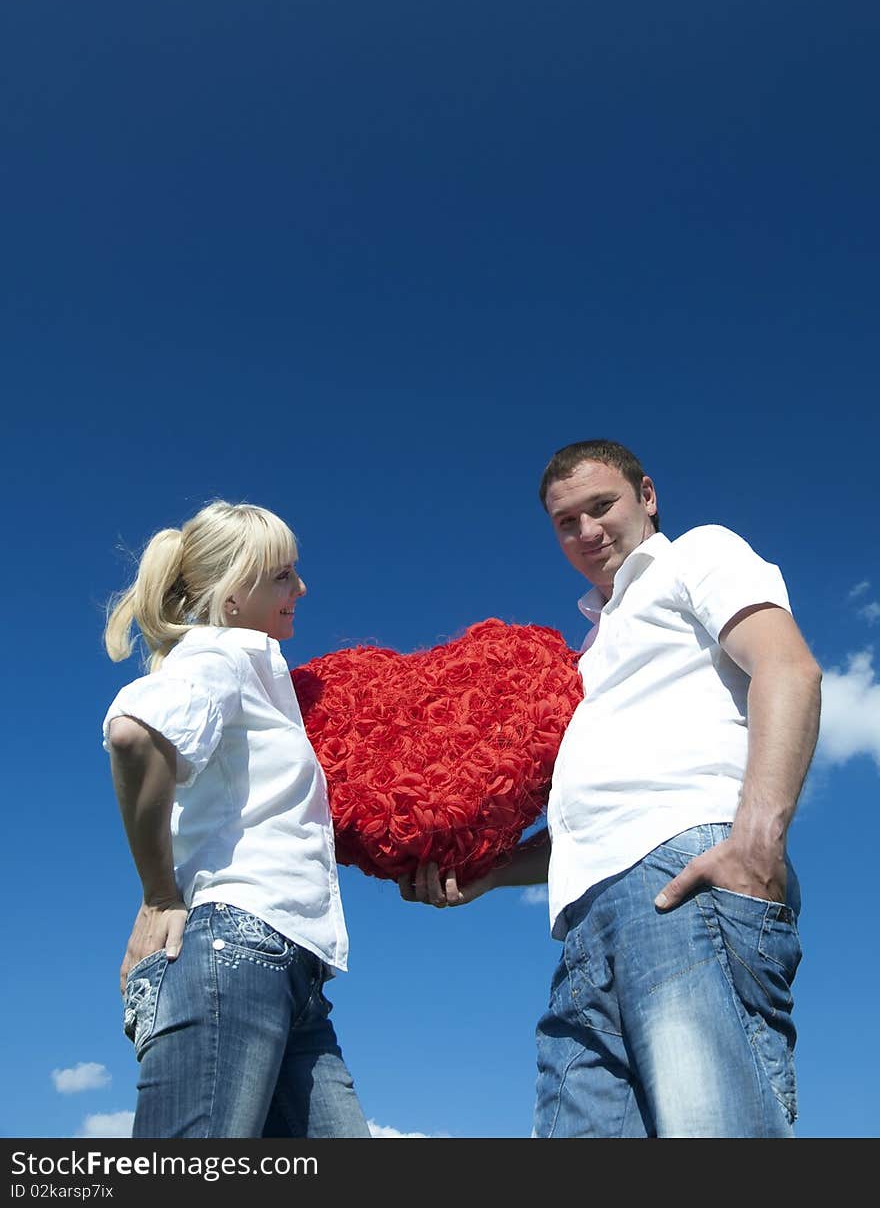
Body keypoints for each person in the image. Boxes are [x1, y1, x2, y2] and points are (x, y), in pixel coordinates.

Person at [400, 440, 821, 1138]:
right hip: (580, 924)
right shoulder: (588, 655)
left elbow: (789, 667)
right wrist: (487, 872)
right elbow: (576, 825)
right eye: (567, 522)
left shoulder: (698, 554)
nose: (587, 531)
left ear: (647, 496)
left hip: (688, 880)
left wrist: (757, 840)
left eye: (602, 506)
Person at [102, 499, 371, 1138]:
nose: (301, 588)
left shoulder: (257, 674)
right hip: (238, 952)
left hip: (291, 973)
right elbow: (135, 736)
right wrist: (160, 894)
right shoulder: (224, 655)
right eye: (282, 576)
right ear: (230, 597)